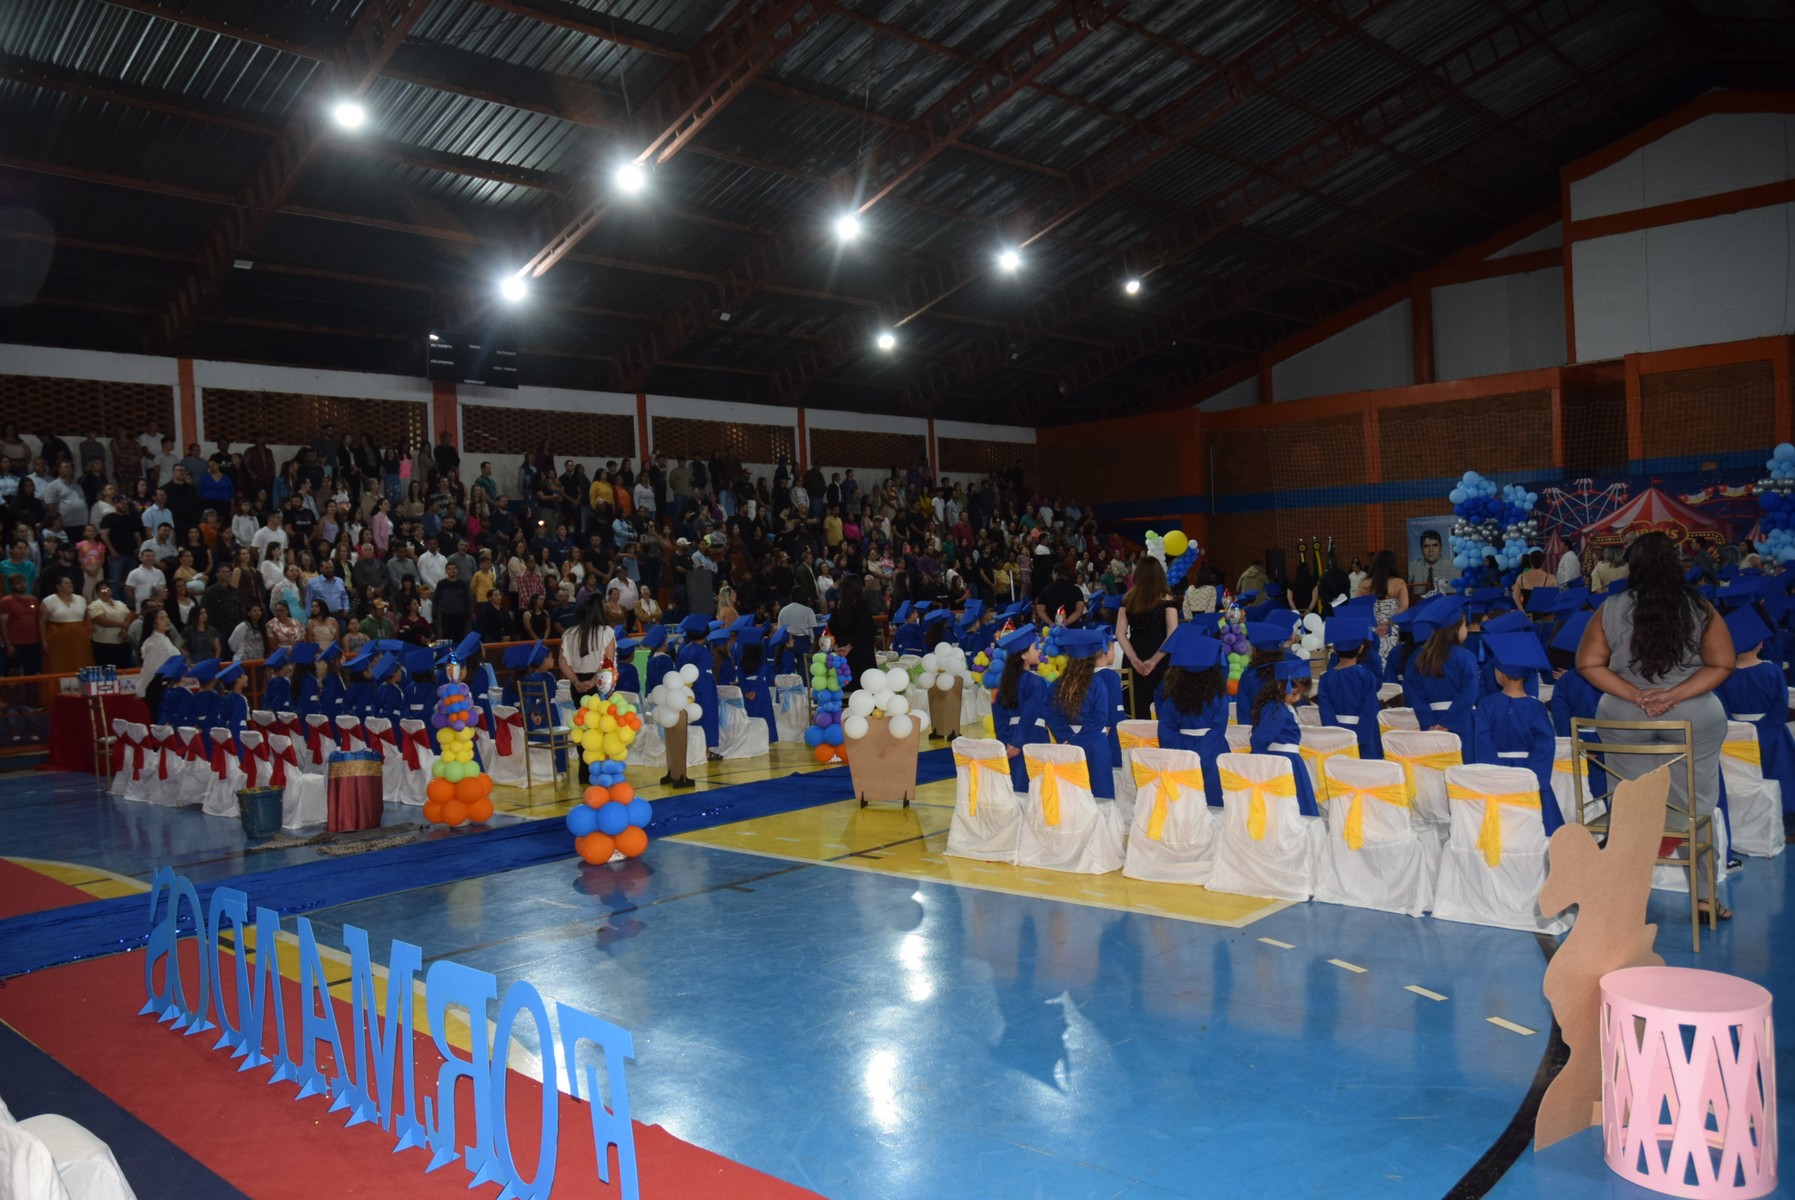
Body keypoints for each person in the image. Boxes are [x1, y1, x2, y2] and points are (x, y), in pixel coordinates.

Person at [1575, 532, 1734, 917]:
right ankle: (1704, 897)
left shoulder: (1610, 607)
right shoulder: (1699, 607)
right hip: (1691, 715)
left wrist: (1636, 696)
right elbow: (1723, 663)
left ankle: (1626, 896)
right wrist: (1673, 695)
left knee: (1630, 805)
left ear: (1633, 567)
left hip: (1626, 716)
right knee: (1694, 805)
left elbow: (1587, 663)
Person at [1715, 604, 1795, 841]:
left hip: (1739, 734)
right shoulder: (1771, 672)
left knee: (1747, 776)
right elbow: (1780, 704)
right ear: (1761, 643)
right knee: (1781, 775)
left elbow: (1723, 707)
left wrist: (1738, 728)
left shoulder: (1725, 674)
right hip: (1774, 733)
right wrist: (1767, 732)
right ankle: (1785, 822)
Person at [1470, 632, 1563, 835]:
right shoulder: (1536, 707)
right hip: (1529, 772)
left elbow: (1483, 742)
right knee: (1539, 824)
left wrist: (1492, 772)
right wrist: (1535, 777)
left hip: (1497, 770)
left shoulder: (1487, 704)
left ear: (1499, 673)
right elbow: (1545, 745)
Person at [1153, 626, 1229, 807]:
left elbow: (1166, 727)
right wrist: (1202, 752)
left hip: (1180, 749)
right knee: (1212, 800)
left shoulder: (1173, 696)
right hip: (1212, 753)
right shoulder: (1218, 696)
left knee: (1184, 801)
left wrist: (1180, 751)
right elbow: (1218, 728)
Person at [1041, 627, 1115, 799]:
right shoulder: (1098, 684)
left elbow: (1050, 713)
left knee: (1073, 794)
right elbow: (1099, 718)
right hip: (1094, 743)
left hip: (1066, 743)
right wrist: (1077, 740)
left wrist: (1067, 738)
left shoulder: (1059, 684)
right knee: (1099, 793)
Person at [1248, 657, 1321, 817]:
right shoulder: (1276, 710)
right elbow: (1260, 738)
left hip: (1288, 758)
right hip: (1283, 760)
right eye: (1295, 693)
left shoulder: (1281, 707)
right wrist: (1260, 765)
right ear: (1281, 686)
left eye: (1301, 693)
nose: (1298, 698)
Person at [1402, 596, 1478, 748]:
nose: (1466, 630)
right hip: (1462, 720)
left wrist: (1430, 723)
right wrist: (1447, 723)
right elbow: (1469, 692)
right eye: (1464, 625)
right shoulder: (1465, 656)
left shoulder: (1419, 657)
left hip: (1431, 720)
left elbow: (1414, 694)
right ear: (1455, 629)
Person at [989, 625, 1049, 794]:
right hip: (1033, 736)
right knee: (1036, 789)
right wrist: (1017, 743)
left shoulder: (1003, 684)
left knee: (1016, 786)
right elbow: (1030, 714)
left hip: (1010, 737)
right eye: (1035, 648)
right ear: (1023, 655)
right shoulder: (1036, 682)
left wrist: (1007, 742)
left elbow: (999, 718)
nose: (1039, 651)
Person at [1116, 555, 1177, 720]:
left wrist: (1134, 659)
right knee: (1161, 706)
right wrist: (1154, 661)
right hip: (1162, 654)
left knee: (1136, 706)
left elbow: (1120, 633)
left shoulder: (1128, 598)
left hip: (1135, 652)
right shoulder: (1167, 598)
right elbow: (1173, 632)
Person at [1316, 618, 1382, 760]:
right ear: (1361, 648)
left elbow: (1325, 710)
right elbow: (1369, 708)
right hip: (1364, 731)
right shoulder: (1365, 675)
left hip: (1337, 730)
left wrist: (1335, 734)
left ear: (1334, 649)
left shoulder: (1326, 678)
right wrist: (1362, 737)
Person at [1361, 549, 1409, 680]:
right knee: (1392, 658)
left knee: (1374, 656)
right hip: (1392, 626)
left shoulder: (1364, 585)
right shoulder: (1399, 583)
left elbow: (1360, 609)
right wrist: (1389, 621)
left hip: (1373, 628)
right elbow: (1404, 607)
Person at [827, 575, 877, 694]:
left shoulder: (839, 605)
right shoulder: (861, 604)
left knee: (846, 683)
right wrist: (850, 646)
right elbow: (865, 629)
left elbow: (831, 627)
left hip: (843, 652)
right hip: (859, 651)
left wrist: (836, 646)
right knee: (863, 686)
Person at [40, 573, 94, 675]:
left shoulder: (81, 599)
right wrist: (44, 642)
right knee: (59, 666)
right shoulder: (49, 601)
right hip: (58, 642)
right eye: (66, 583)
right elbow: (42, 623)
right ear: (58, 586)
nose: (70, 584)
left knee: (81, 663)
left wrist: (88, 633)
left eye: (70, 582)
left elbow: (87, 620)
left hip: (80, 641)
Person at [0, 572, 44, 675]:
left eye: (24, 582)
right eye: (18, 583)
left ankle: (32, 691)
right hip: (15, 643)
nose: (22, 585)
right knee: (12, 673)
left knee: (32, 672)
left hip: (33, 643)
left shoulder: (33, 600)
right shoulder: (6, 601)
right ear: (11, 585)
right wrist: (8, 645)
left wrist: (41, 641)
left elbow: (37, 621)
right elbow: (3, 625)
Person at [87, 581, 132, 667]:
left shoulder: (120, 604)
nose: (105, 591)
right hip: (104, 644)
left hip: (122, 643)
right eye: (102, 590)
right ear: (97, 592)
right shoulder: (95, 605)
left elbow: (128, 616)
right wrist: (122, 624)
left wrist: (124, 630)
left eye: (107, 589)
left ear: (111, 591)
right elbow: (102, 621)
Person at [1407, 529, 1454, 595]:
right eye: (1426, 546)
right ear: (1421, 549)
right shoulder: (1412, 567)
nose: (1431, 550)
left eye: (1435, 545)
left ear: (1441, 548)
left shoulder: (1453, 567)